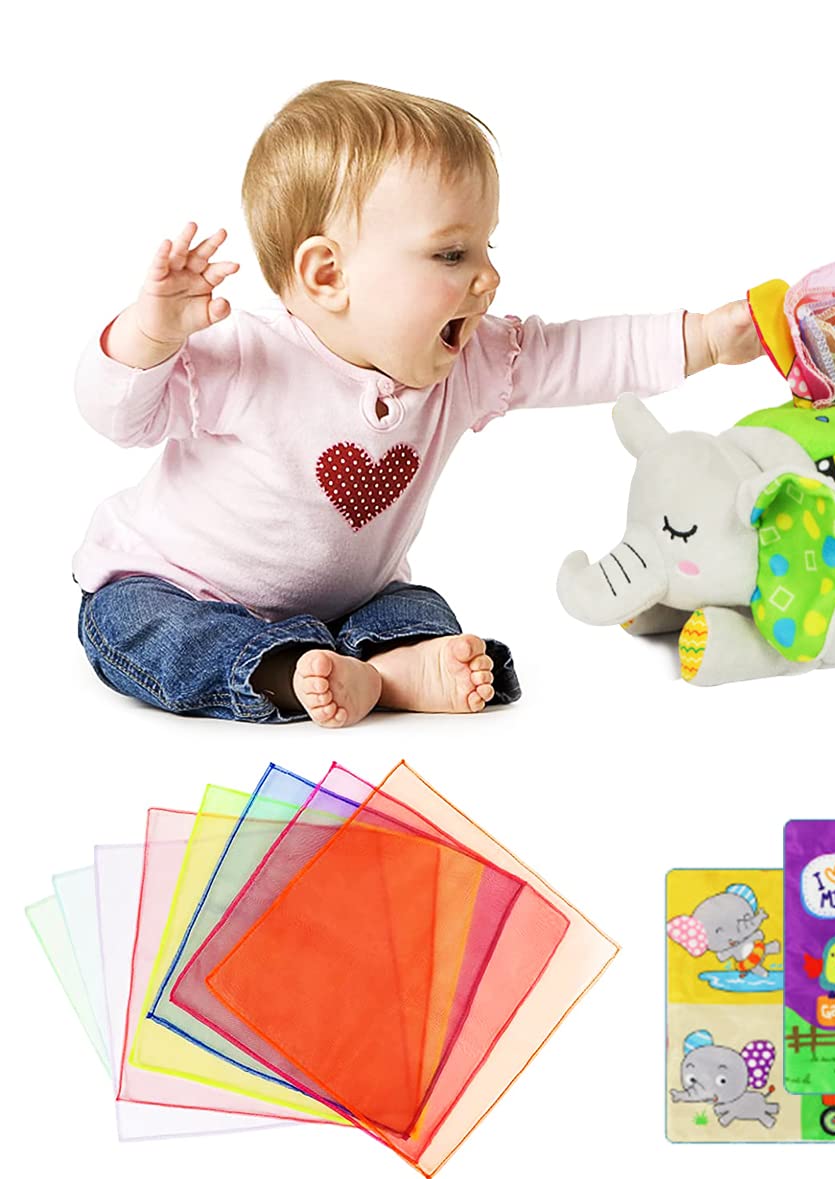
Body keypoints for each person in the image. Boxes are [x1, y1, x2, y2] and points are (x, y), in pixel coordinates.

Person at [74, 80, 762, 727]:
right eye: (452, 254)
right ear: (329, 274)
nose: (489, 276)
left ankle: (392, 666)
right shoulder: (246, 357)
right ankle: (285, 672)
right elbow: (119, 418)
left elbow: (575, 355)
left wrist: (704, 337)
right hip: (176, 585)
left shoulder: (466, 363)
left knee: (409, 605)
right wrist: (150, 335)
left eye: (486, 246)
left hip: (349, 601)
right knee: (141, 628)